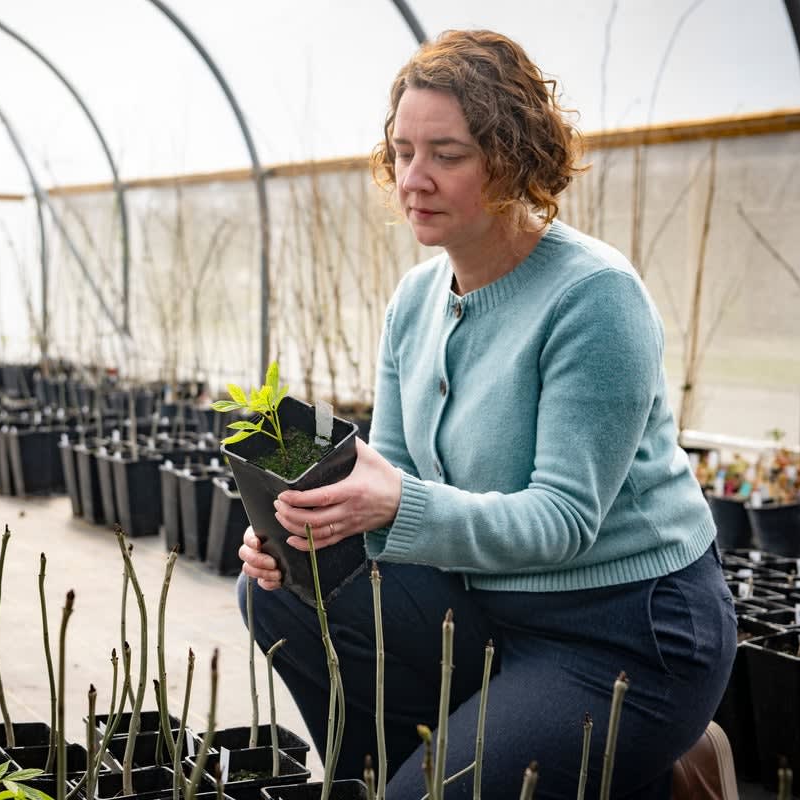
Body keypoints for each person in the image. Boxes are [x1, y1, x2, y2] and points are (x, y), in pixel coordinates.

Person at [238, 29, 736, 798]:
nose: (414, 178)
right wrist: (308, 531)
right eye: (403, 152)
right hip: (482, 611)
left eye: (448, 153)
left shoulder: (593, 296)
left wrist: (394, 501)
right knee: (278, 594)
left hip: (620, 633)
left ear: (510, 160)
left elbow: (563, 519)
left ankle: (651, 755)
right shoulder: (415, 302)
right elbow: (396, 478)